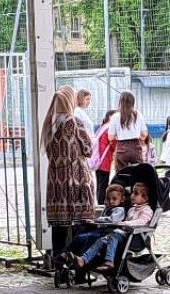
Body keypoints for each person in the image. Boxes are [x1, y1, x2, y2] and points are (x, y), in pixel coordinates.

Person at [42, 87, 95, 254]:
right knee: (80, 224)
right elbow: (88, 149)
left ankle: (59, 260)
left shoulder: (48, 124)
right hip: (75, 179)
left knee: (59, 227)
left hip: (55, 182)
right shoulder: (73, 122)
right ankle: (78, 260)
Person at [73, 182, 153, 273]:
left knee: (112, 236)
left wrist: (125, 223)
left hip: (135, 237)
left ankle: (109, 261)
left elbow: (142, 221)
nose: (132, 195)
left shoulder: (147, 210)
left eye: (136, 193)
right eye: (132, 192)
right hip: (123, 233)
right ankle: (83, 259)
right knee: (101, 240)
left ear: (145, 198)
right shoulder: (132, 209)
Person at [59, 183, 127, 262]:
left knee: (85, 237)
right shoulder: (108, 208)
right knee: (81, 234)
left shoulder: (119, 210)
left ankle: (73, 256)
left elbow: (112, 220)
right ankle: (66, 253)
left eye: (114, 199)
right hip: (100, 231)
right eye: (108, 199)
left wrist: (96, 220)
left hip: (106, 234)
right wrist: (93, 221)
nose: (111, 201)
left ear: (122, 199)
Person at [108, 91, 148, 170]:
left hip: (121, 147)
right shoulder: (137, 114)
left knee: (121, 173)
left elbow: (110, 137)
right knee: (138, 172)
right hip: (135, 146)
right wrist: (141, 138)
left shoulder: (115, 116)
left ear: (121, 102)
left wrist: (118, 135)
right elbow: (144, 133)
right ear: (133, 102)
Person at [94, 110, 116, 205]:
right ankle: (101, 205)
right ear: (111, 117)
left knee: (100, 185)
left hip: (99, 160)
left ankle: (99, 204)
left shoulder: (102, 127)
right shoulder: (109, 128)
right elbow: (114, 143)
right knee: (103, 185)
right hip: (104, 161)